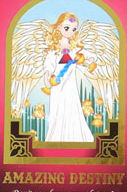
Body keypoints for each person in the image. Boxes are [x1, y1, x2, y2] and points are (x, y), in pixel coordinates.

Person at [41, 13, 96, 143]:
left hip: (70, 87)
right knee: (58, 113)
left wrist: (89, 60)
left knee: (73, 110)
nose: (71, 31)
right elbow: (48, 66)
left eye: (74, 29)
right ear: (59, 27)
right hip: (58, 86)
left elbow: (89, 56)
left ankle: (76, 140)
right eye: (67, 28)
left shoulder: (74, 48)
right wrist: (47, 78)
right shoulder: (54, 49)